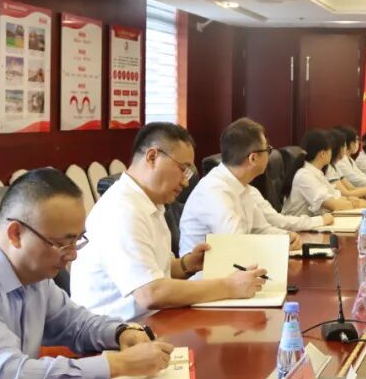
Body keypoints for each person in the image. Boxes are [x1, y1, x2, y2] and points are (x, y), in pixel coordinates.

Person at [0, 168, 175, 379]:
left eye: (77, 240)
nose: (73, 255)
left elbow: (76, 324)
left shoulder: (33, 274)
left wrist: (121, 333)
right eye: (64, 244)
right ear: (15, 234)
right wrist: (117, 364)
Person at [71, 123, 268, 320]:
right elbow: (150, 293)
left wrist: (187, 264)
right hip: (114, 331)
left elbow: (156, 270)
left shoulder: (149, 203)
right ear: (152, 157)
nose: (185, 181)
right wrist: (229, 286)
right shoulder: (122, 211)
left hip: (152, 321)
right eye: (183, 169)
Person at [179, 117, 304, 255]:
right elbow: (238, 243)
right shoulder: (214, 190)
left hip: (233, 263)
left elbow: (260, 229)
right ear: (253, 158)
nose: (269, 155)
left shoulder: (242, 187)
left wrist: (286, 237)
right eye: (267, 150)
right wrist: (279, 244)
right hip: (205, 267)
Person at [284, 129, 366, 216]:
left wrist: (349, 199)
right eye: (331, 150)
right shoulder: (305, 175)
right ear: (323, 153)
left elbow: (333, 195)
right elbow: (332, 205)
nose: (332, 153)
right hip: (300, 224)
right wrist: (355, 204)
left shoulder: (317, 172)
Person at [326, 129, 366, 199]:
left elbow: (351, 188)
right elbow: (347, 193)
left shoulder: (334, 166)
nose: (345, 148)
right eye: (344, 145)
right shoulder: (332, 167)